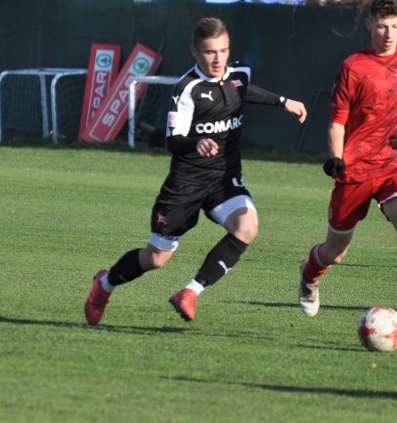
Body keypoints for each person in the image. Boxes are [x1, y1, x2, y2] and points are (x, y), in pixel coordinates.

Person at [85, 17, 308, 326]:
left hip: (223, 179)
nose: (218, 59)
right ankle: (104, 284)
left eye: (223, 50)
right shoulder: (186, 89)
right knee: (156, 259)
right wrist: (196, 143)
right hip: (186, 183)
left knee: (247, 226)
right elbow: (171, 141)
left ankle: (190, 292)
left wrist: (283, 102)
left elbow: (243, 89)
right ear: (195, 51)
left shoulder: (237, 75)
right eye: (209, 52)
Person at [297, 0, 397, 346]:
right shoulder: (353, 66)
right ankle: (309, 274)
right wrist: (336, 157)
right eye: (381, 26)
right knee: (335, 251)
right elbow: (337, 121)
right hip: (356, 169)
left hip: (396, 164)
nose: (387, 33)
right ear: (368, 24)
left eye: (394, 26)